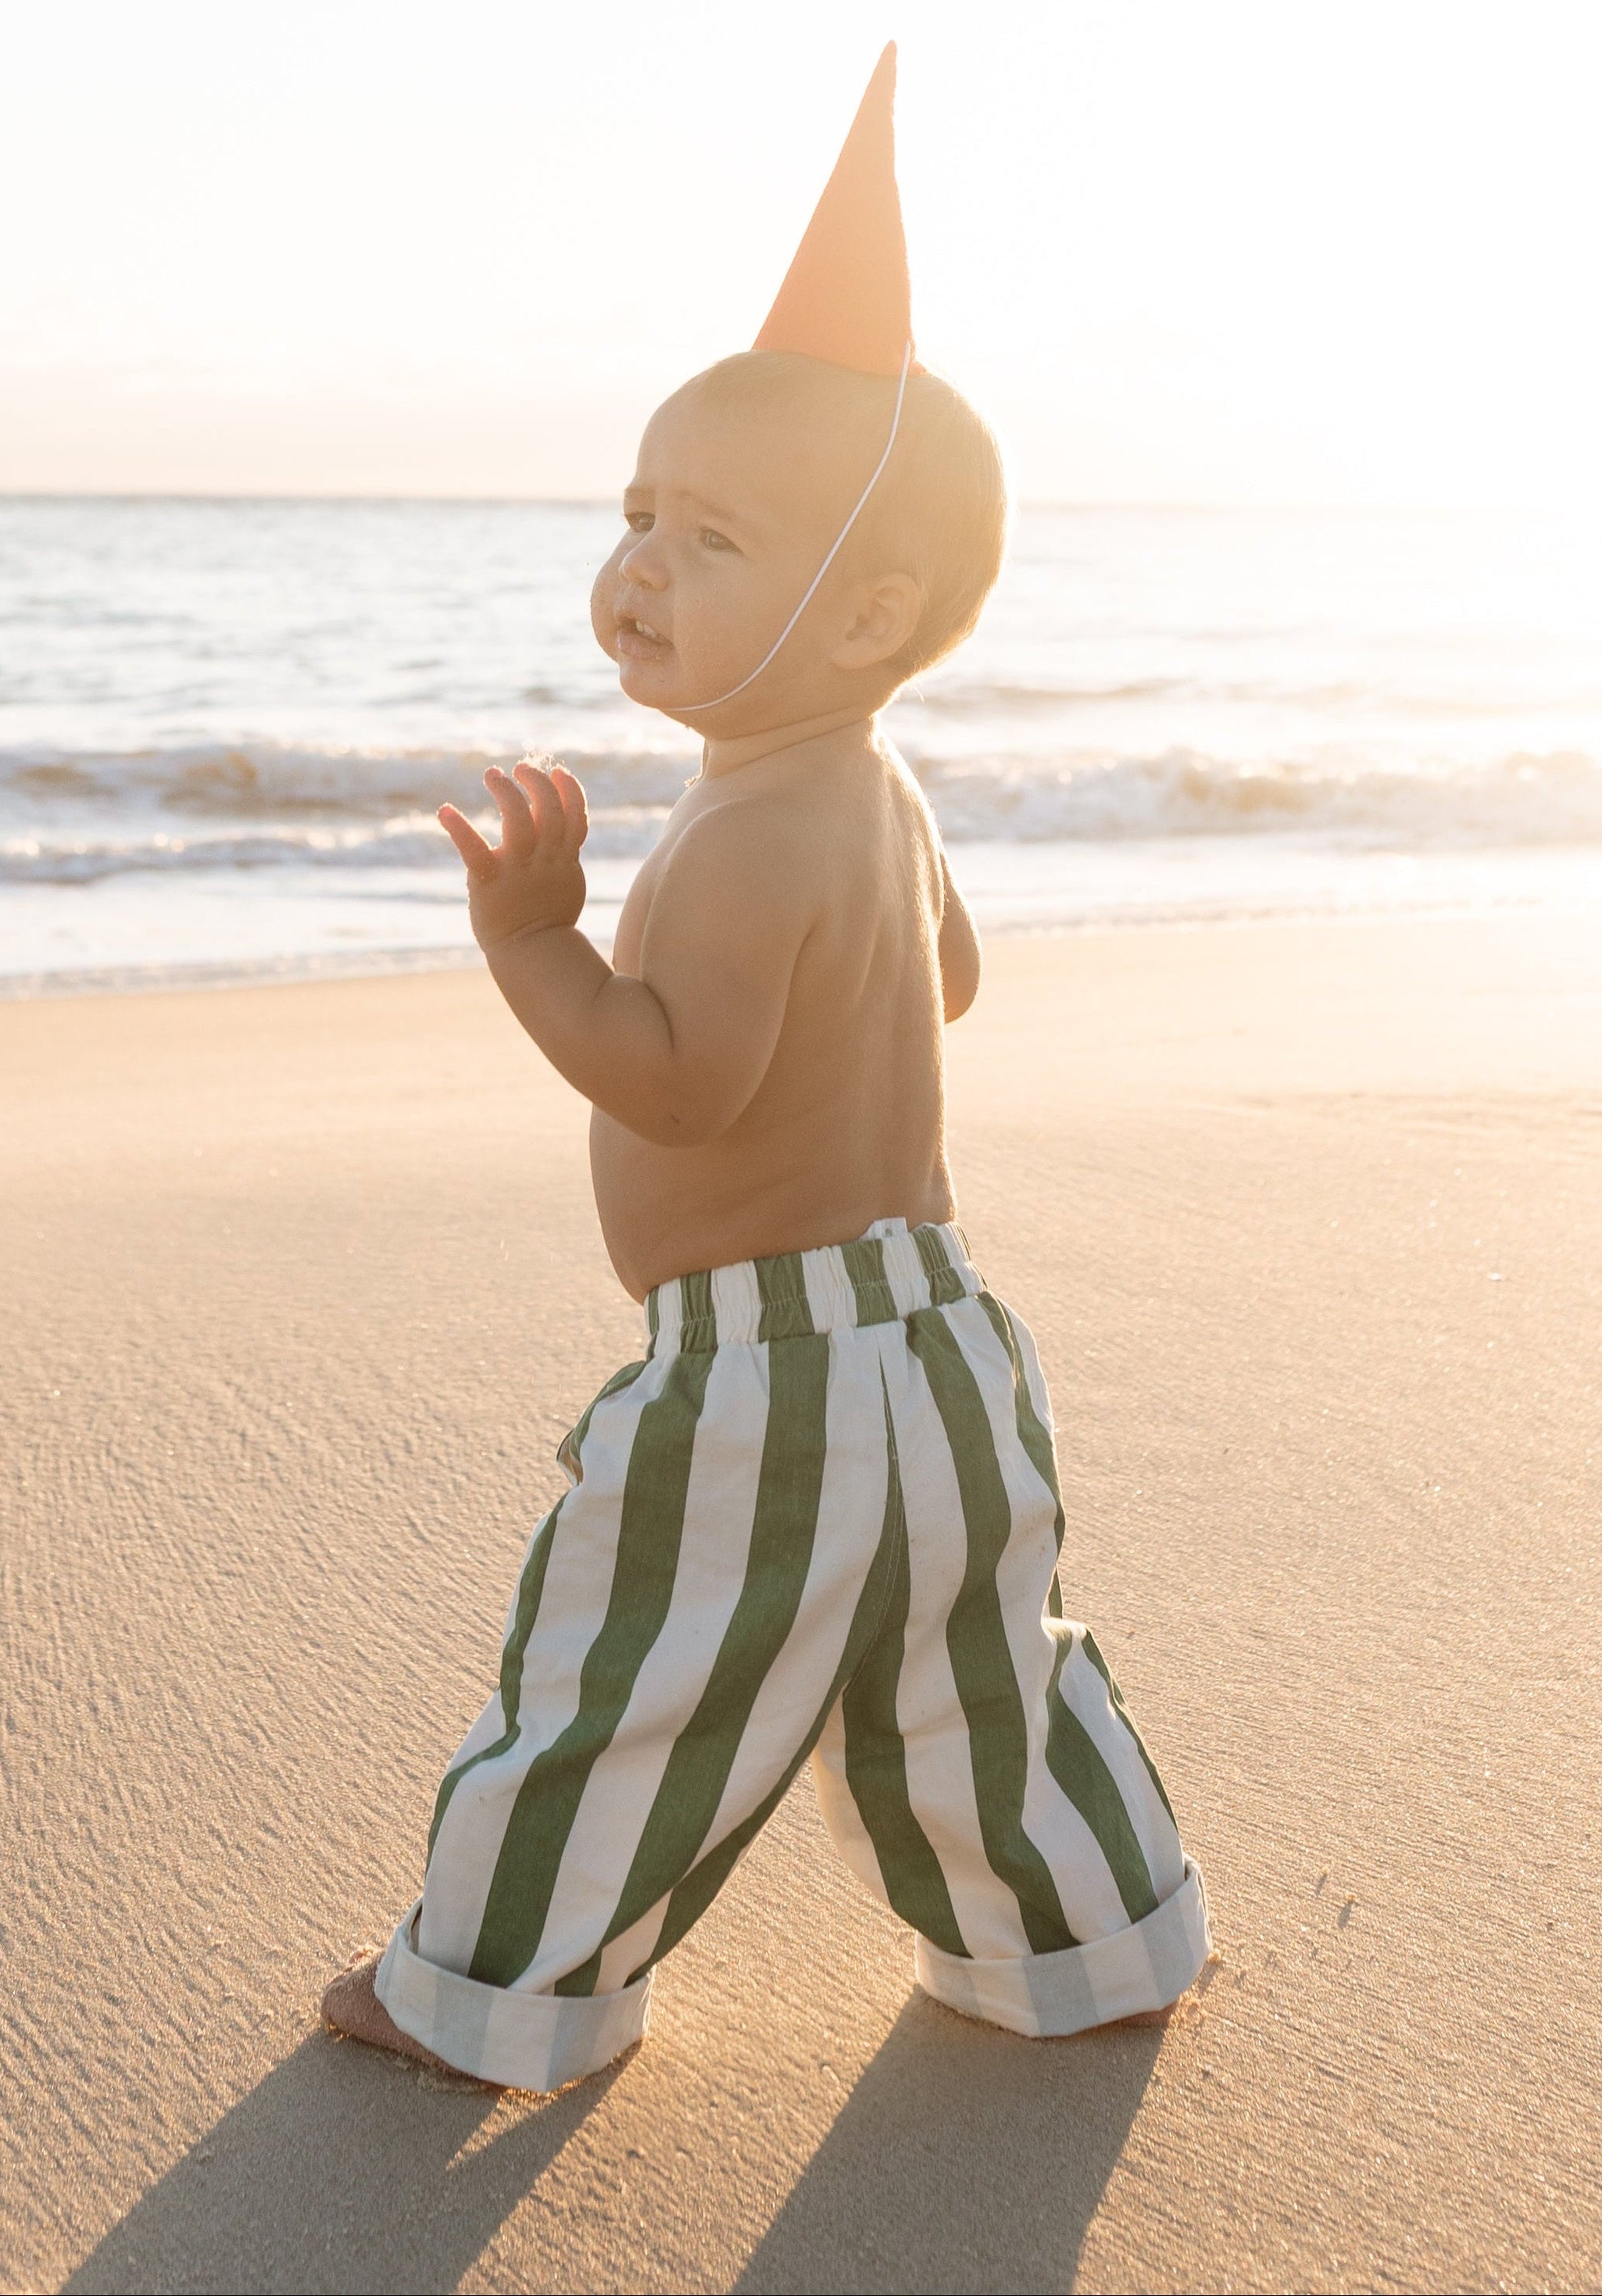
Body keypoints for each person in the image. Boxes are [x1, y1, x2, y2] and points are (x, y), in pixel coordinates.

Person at [322, 45, 1210, 2092]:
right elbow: (952, 979)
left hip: (768, 1373)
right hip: (942, 1337)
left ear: (867, 605)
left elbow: (681, 1084)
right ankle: (1091, 1940)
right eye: (636, 511)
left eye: (709, 538)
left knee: (630, 1668)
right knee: (977, 1674)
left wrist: (535, 942)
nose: (638, 564)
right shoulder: (868, 790)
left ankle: (488, 1994)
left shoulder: (740, 835)